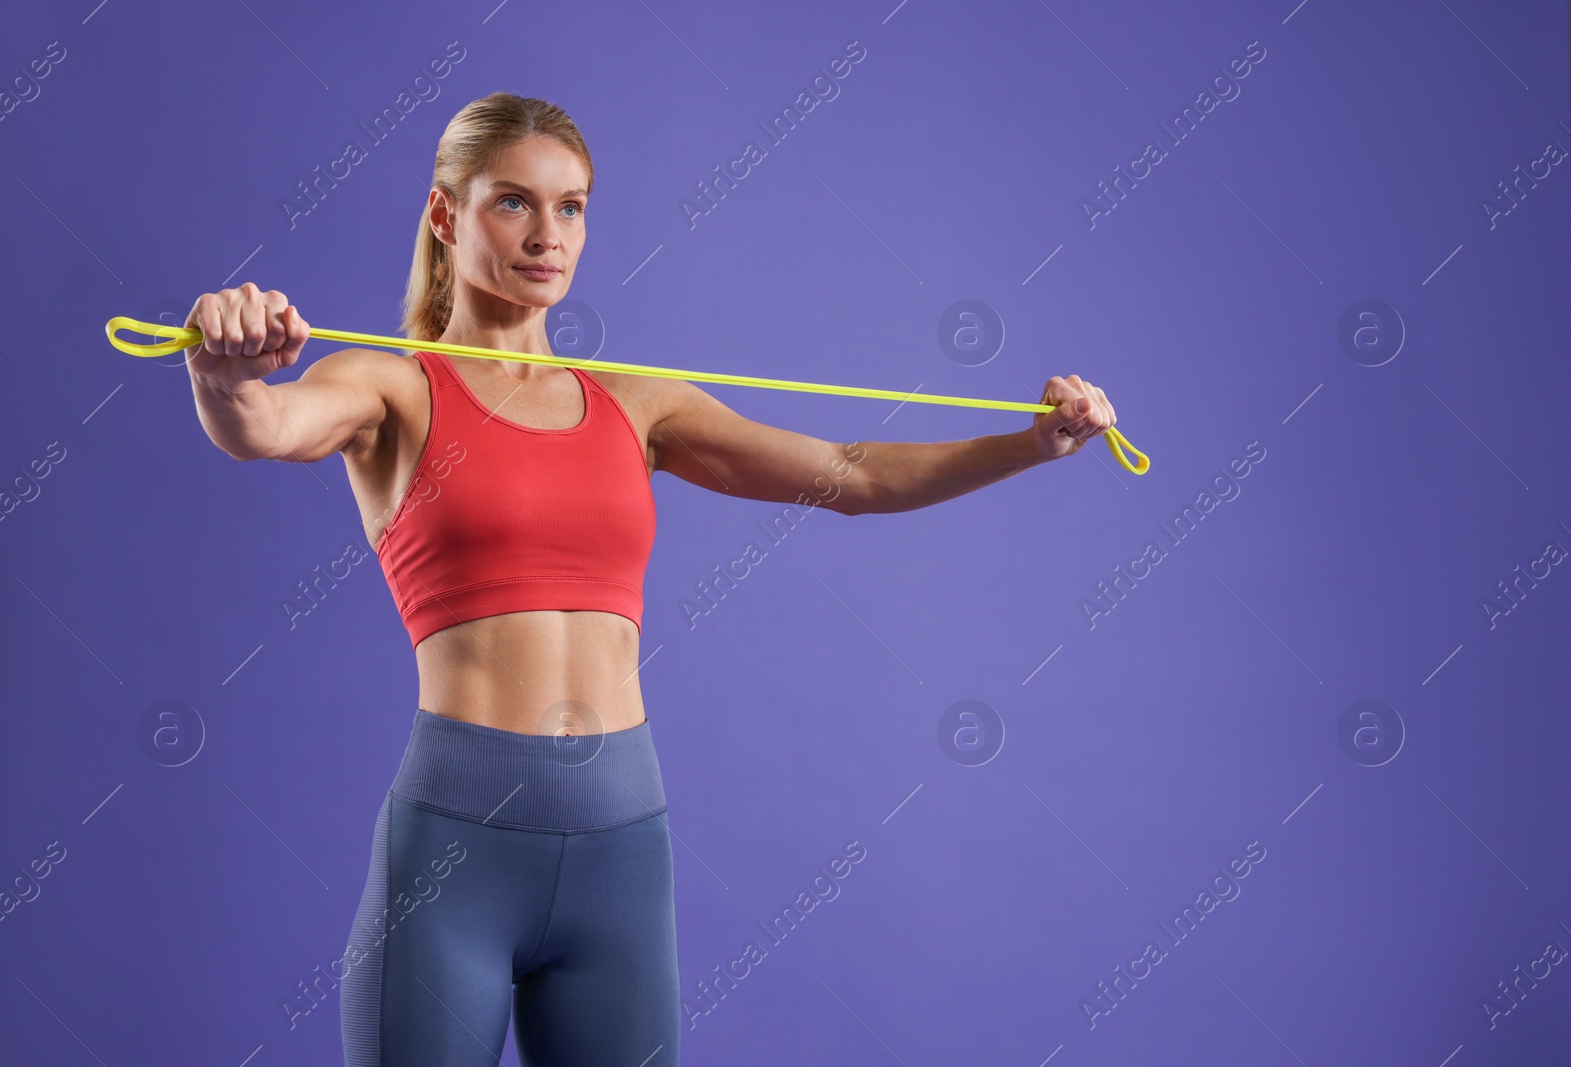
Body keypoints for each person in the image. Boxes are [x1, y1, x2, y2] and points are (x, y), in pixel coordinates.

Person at [183, 91, 1118, 1067]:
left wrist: (1033, 444)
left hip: (620, 846)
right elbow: (264, 427)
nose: (548, 234)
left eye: (572, 206)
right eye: (514, 203)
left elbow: (855, 475)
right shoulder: (390, 388)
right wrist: (224, 372)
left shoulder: (638, 406)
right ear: (446, 214)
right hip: (455, 854)